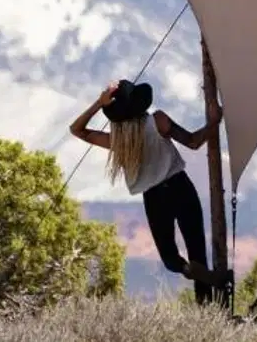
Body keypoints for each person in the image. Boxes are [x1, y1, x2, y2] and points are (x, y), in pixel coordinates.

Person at [69, 78, 225, 302]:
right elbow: (192, 142)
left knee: (170, 258)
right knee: (197, 248)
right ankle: (208, 307)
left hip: (154, 198)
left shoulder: (118, 141)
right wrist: (214, 122)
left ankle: (188, 270)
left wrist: (98, 103)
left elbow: (77, 130)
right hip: (181, 186)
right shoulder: (158, 121)